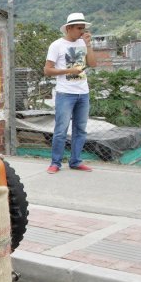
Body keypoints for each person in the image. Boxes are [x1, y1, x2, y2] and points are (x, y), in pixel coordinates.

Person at [44, 12, 96, 174]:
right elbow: (47, 70)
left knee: (80, 129)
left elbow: (93, 64)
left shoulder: (83, 43)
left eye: (84, 28)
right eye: (79, 28)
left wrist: (88, 45)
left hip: (83, 93)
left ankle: (76, 161)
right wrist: (69, 70)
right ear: (69, 28)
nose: (82, 31)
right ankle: (55, 163)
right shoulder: (56, 45)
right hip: (65, 93)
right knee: (61, 129)